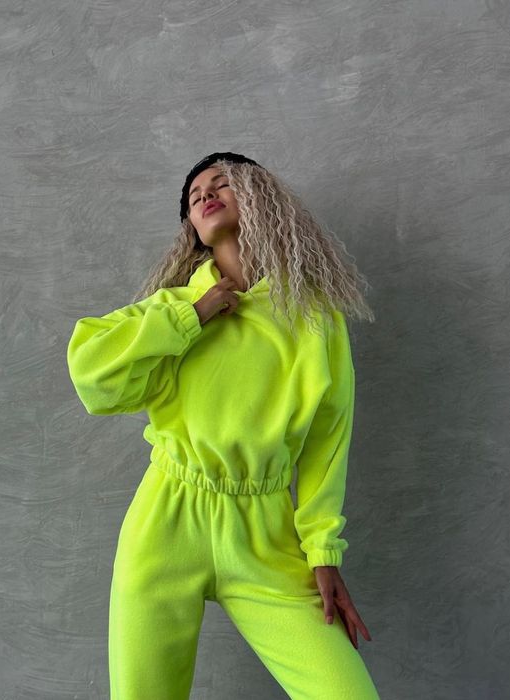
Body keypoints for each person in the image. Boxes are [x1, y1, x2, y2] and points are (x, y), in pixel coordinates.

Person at [66, 152, 381, 699]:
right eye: (194, 196)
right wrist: (192, 316)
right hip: (167, 520)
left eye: (221, 184)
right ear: (192, 228)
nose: (205, 195)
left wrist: (323, 551)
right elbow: (91, 372)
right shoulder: (174, 309)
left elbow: (329, 438)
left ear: (260, 197)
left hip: (266, 534)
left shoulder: (313, 317)